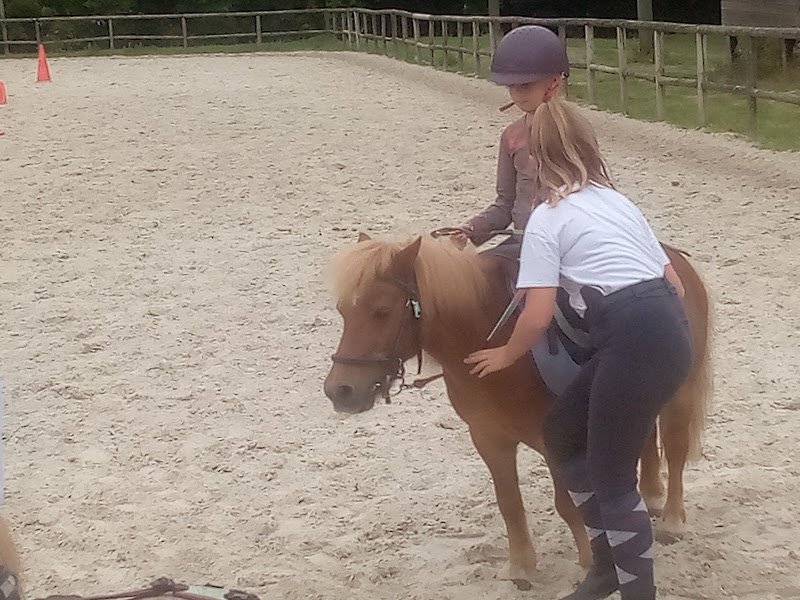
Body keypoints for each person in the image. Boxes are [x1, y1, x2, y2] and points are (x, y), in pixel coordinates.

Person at [463, 95, 692, 600]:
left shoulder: (549, 217)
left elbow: (538, 315)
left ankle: (636, 590)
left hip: (633, 336)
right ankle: (609, 567)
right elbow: (673, 281)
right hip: (666, 328)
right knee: (563, 431)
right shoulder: (618, 202)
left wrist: (505, 354)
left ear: (536, 161)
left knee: (611, 475)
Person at [438, 25, 570, 248]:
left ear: (553, 82)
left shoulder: (571, 133)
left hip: (563, 243)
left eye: (525, 85)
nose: (517, 94)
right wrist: (471, 229)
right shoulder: (511, 137)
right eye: (512, 86)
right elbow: (505, 204)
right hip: (522, 241)